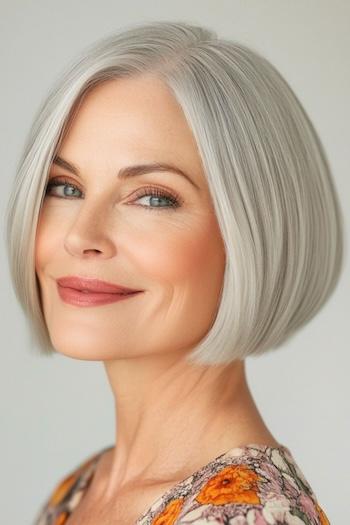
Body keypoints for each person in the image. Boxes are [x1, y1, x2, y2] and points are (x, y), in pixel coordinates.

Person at [5, 20, 343, 525]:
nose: (81, 236)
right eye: (66, 187)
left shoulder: (249, 517)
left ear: (253, 232)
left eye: (153, 197)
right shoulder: (84, 488)